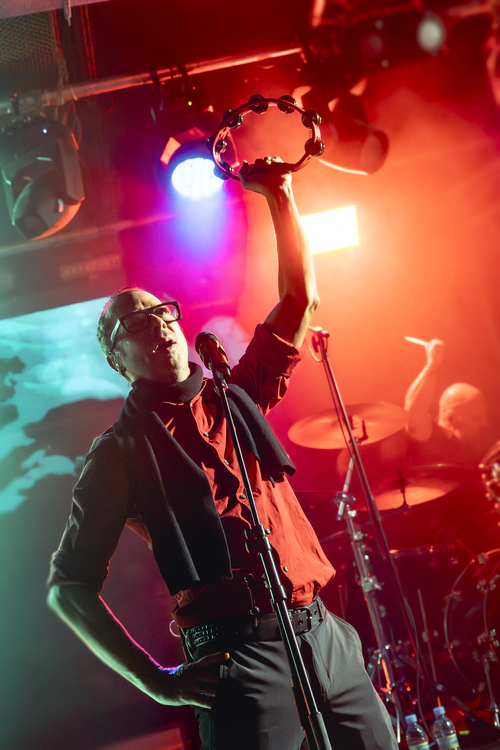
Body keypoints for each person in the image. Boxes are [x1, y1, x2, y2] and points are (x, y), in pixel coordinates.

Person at [47, 157, 397, 750]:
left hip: (324, 635)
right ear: (116, 360)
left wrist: (281, 195)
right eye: (135, 325)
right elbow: (69, 587)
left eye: (161, 312)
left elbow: (300, 298)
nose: (157, 325)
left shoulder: (236, 394)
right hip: (237, 654)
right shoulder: (118, 456)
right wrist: (157, 683)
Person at [404, 338, 490, 468]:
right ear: (451, 417)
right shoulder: (431, 438)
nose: (485, 424)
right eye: (476, 418)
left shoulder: (472, 450)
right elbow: (413, 413)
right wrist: (431, 364)